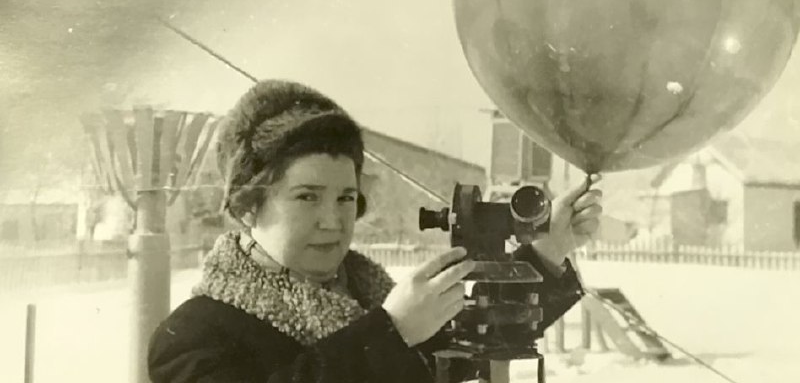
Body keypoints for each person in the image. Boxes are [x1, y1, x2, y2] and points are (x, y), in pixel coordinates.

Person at [148, 80, 603, 383]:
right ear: (247, 207)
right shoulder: (192, 337)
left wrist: (550, 249)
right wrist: (389, 332)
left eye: (346, 197)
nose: (333, 220)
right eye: (307, 197)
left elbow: (483, 338)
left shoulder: (372, 299)